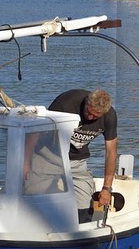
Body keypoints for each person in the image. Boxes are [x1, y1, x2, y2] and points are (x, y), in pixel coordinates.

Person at [47, 87, 118, 221]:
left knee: (85, 200)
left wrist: (107, 188)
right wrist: (27, 162)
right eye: (88, 112)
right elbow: (38, 131)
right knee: (39, 196)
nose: (89, 117)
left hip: (77, 161)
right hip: (49, 156)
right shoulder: (66, 103)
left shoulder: (110, 116)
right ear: (87, 102)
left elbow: (111, 152)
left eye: (95, 116)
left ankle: (82, 231)